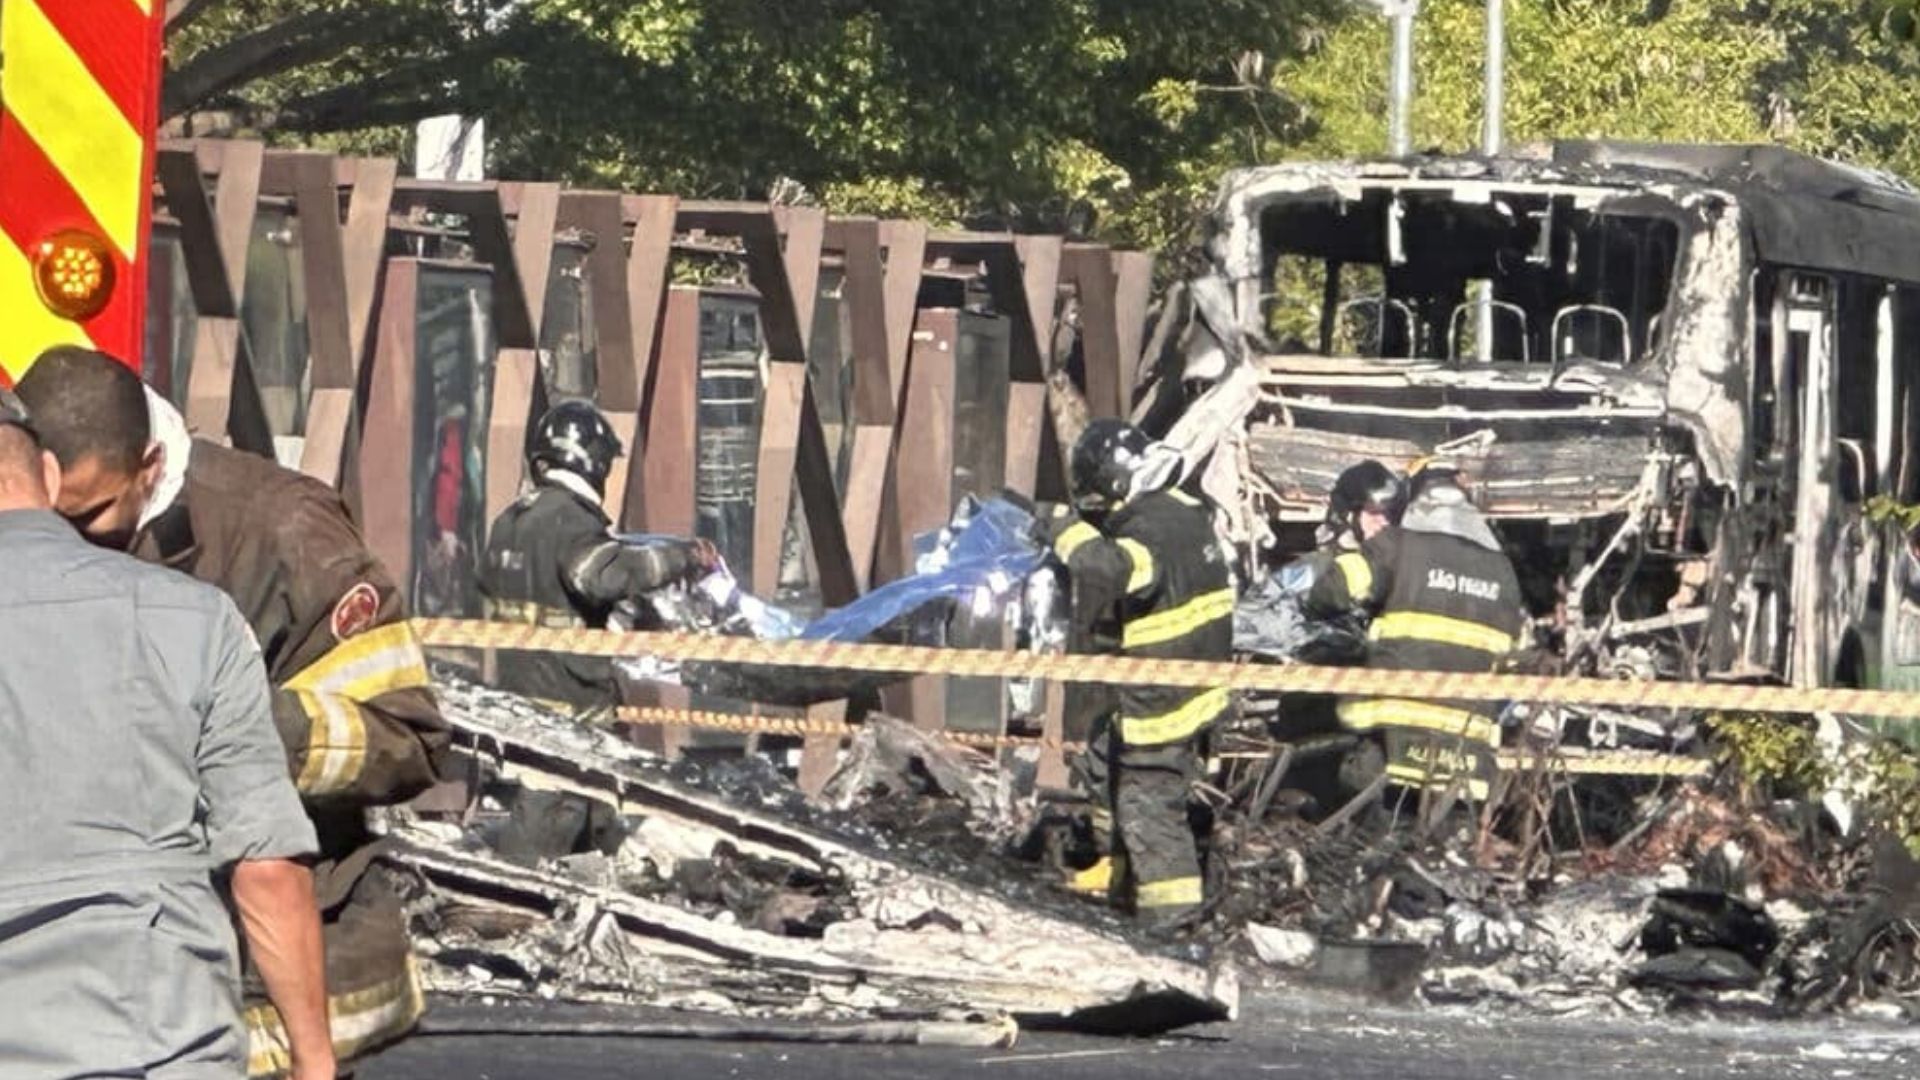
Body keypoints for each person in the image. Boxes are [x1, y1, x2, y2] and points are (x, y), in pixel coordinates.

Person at [17, 347, 449, 1077]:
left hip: (282, 978)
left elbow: (409, 736)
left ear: (150, 465)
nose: (69, 547)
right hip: (125, 991)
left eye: (91, 519)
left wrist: (243, 728)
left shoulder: (283, 528)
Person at [0, 389, 332, 1079]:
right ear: (53, 477)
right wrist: (315, 1063)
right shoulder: (196, 618)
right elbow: (267, 869)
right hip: (162, 1040)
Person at [1045, 419, 1235, 924]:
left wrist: (1061, 528)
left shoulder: (1146, 528)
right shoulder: (1185, 511)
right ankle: (1116, 876)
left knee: (1148, 806)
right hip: (1197, 690)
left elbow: (1106, 570)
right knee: (1106, 759)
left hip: (1162, 704)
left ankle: (1169, 923)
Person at [1304, 458, 1525, 806]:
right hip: (1464, 756)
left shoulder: (1399, 546)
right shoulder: (1504, 572)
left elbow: (1329, 592)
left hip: (1390, 740)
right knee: (1445, 854)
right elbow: (1515, 653)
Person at [481, 399, 717, 711]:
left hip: (515, 704)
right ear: (595, 463)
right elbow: (600, 576)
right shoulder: (569, 518)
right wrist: (680, 558)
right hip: (572, 707)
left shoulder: (507, 522)